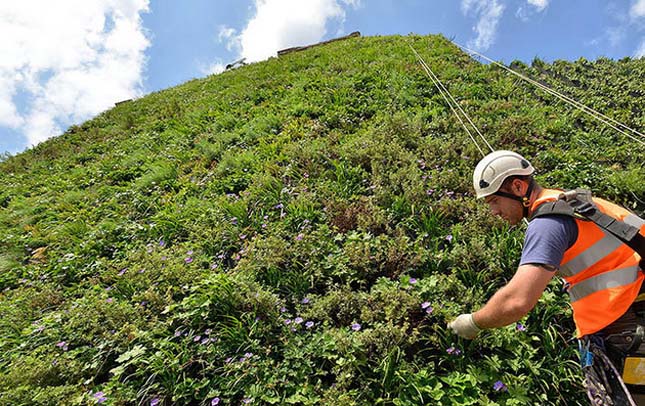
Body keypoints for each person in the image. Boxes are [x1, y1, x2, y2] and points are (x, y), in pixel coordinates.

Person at [447, 150, 645, 405]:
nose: (493, 212)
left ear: (518, 186)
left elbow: (517, 301)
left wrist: (473, 323)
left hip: (629, 322)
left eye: (494, 201)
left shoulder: (548, 223)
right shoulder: (570, 204)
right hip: (629, 314)